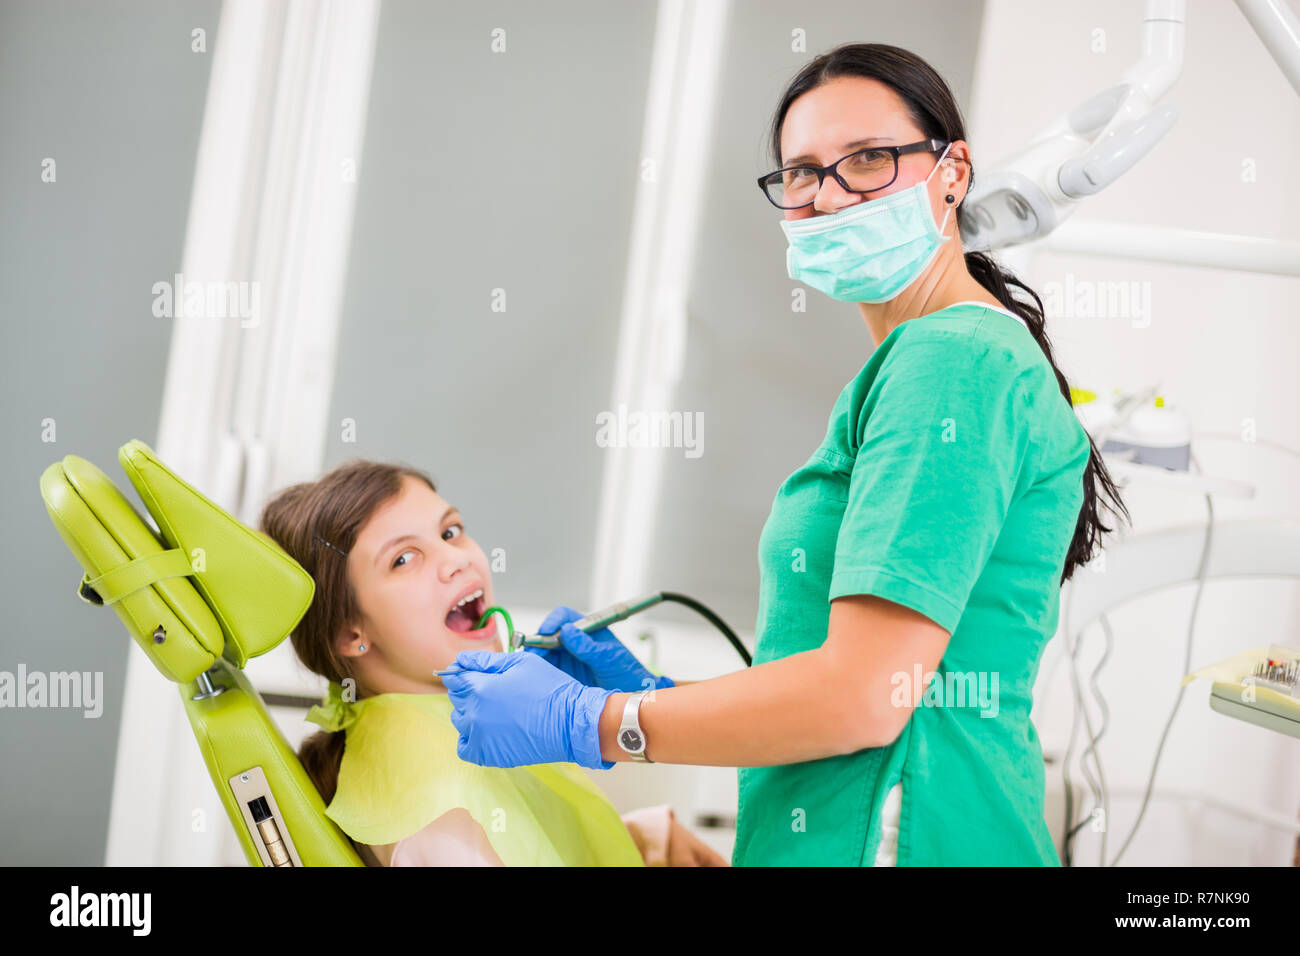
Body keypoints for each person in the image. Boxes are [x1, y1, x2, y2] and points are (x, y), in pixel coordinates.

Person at [438, 42, 1130, 866]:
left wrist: (596, 724)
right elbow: (849, 685)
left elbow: (867, 700)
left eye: (869, 159)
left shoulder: (954, 365)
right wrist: (655, 699)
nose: (830, 195)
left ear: (953, 172)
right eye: (802, 172)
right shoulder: (926, 363)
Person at [259, 459, 726, 866]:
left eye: (450, 532)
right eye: (404, 559)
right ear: (349, 633)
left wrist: (642, 838)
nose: (454, 560)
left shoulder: (454, 733)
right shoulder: (441, 810)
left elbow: (528, 842)